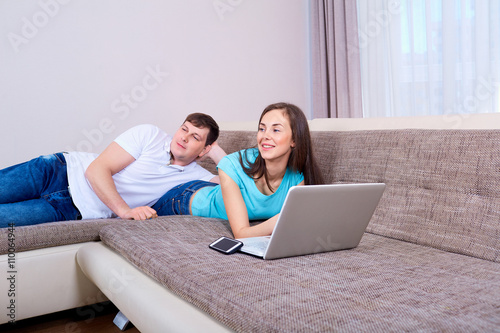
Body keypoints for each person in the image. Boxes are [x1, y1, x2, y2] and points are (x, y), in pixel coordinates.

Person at [0, 113, 226, 228]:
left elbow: (237, 185)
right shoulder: (150, 135)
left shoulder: (198, 177)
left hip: (70, 208)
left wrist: (216, 153)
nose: (184, 137)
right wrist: (124, 211)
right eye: (184, 129)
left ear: (203, 149)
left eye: (195, 137)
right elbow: (97, 170)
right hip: (57, 171)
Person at [152, 102, 324, 238]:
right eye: (262, 128)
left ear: (294, 139)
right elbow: (242, 234)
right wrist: (286, 218)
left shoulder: (298, 176)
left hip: (219, 191)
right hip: (184, 198)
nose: (265, 136)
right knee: (142, 212)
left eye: (276, 129)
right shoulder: (232, 165)